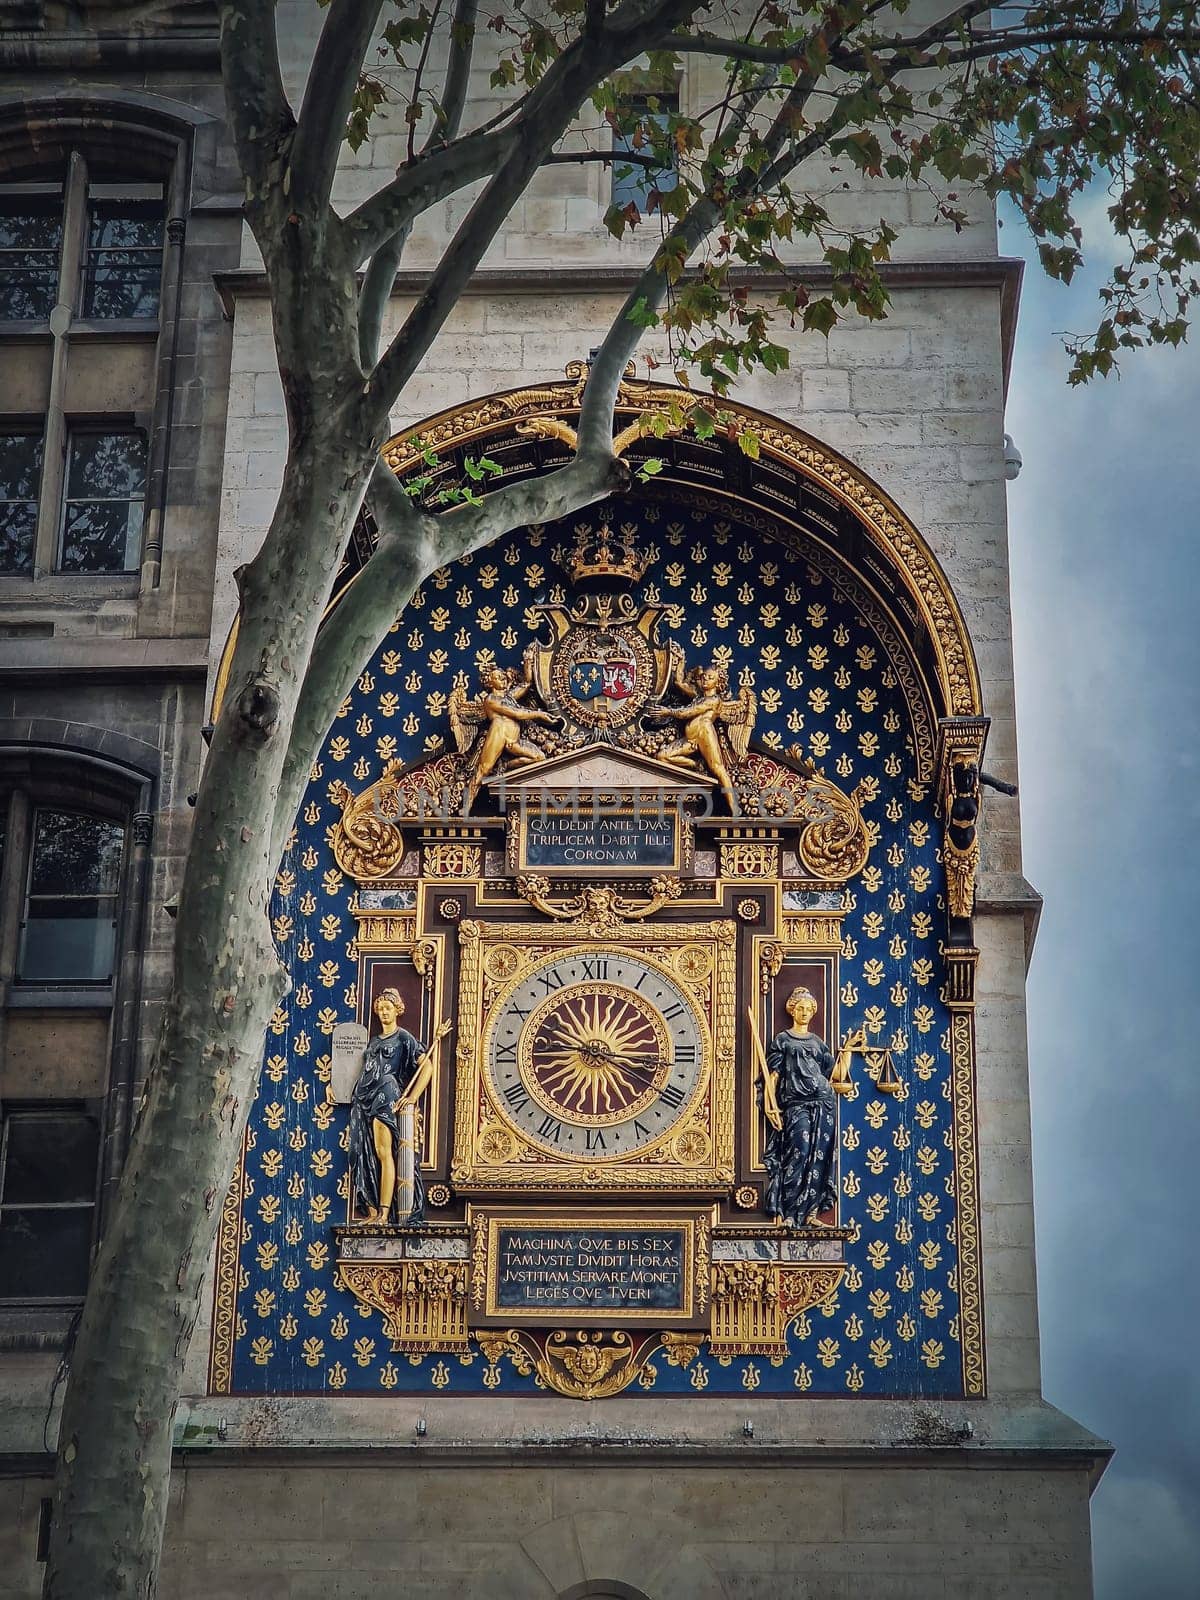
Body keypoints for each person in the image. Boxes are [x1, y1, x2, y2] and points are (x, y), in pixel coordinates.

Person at [348, 988, 450, 1226]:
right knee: (366, 1153)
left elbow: (427, 1068)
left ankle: (384, 1213)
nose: (384, 1012)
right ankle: (374, 1211)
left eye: (388, 1008)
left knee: (384, 1153)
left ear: (397, 1010)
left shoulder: (403, 1037)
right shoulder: (373, 1041)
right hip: (366, 1097)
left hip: (386, 1094)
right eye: (380, 1008)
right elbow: (363, 1071)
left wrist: (412, 1097)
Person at [761, 986, 839, 1227]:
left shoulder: (818, 1043)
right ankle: (789, 1214)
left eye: (808, 1009)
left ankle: (811, 1213)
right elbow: (772, 1077)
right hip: (796, 1104)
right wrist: (769, 1105)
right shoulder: (783, 1040)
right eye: (800, 1008)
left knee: (819, 1158)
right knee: (799, 1152)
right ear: (792, 1010)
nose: (804, 1013)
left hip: (824, 1103)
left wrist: (847, 1052)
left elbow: (833, 1075)